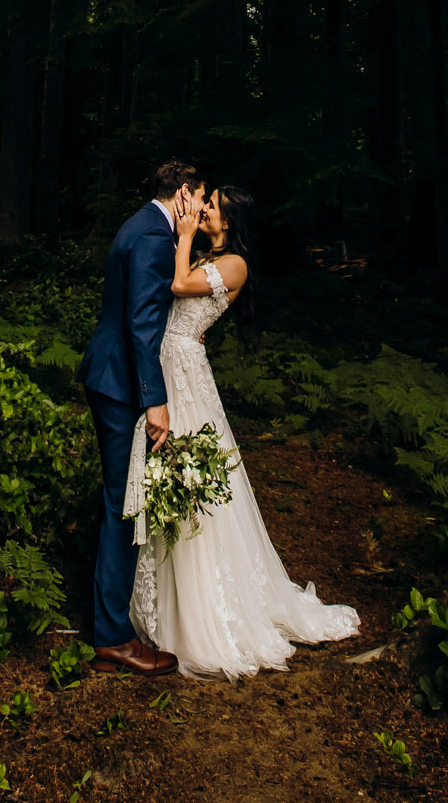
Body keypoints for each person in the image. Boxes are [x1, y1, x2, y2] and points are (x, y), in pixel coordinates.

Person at [124, 181, 360, 677]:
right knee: (169, 474)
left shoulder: (236, 263)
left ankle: (208, 613)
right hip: (173, 362)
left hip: (185, 369)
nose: (203, 208)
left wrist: (184, 233)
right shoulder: (211, 256)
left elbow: (179, 287)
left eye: (211, 206)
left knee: (191, 479)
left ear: (227, 221)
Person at [75, 158, 201, 676]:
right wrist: (155, 400)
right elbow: (142, 327)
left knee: (117, 500)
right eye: (199, 196)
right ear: (182, 194)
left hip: (108, 376)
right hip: (122, 385)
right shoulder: (153, 238)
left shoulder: (141, 224)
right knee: (126, 504)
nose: (201, 206)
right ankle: (114, 637)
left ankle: (111, 626)